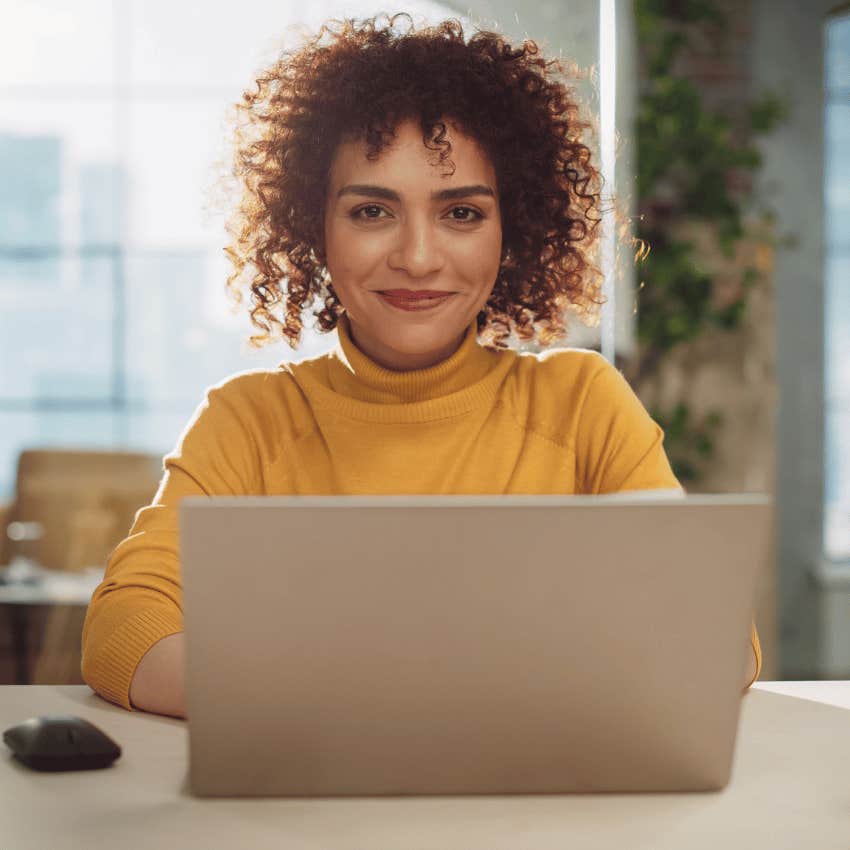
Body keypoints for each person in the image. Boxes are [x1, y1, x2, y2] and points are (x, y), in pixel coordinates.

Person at [80, 13, 761, 719]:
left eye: (461, 213)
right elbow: (123, 629)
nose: (417, 257)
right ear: (313, 227)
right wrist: (352, 706)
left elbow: (717, 643)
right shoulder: (248, 420)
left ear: (513, 230)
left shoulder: (581, 402)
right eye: (372, 211)